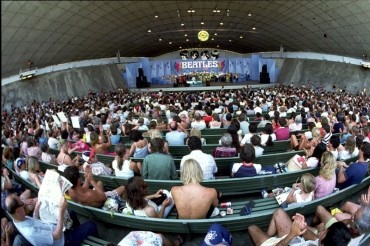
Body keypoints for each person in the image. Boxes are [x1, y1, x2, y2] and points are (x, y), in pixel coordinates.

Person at [5, 194, 98, 246]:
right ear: (17, 211)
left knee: (71, 213)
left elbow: (32, 222)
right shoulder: (31, 232)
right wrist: (61, 210)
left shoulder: (17, 220)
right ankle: (77, 238)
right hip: (64, 241)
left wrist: (36, 210)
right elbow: (57, 235)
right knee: (91, 225)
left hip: (54, 229)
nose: (24, 203)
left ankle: (78, 236)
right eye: (22, 203)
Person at [248, 208, 352, 246]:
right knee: (279, 212)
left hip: (285, 242)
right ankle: (268, 237)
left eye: (324, 232)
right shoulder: (327, 243)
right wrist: (302, 227)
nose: (321, 231)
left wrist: (291, 235)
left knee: (252, 228)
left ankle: (266, 239)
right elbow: (314, 238)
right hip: (294, 239)